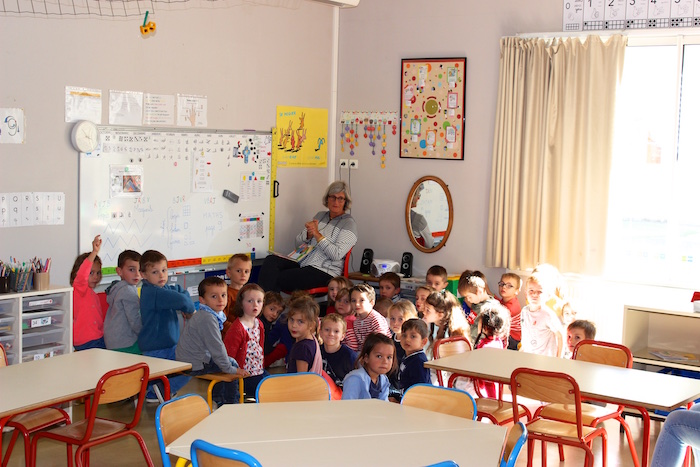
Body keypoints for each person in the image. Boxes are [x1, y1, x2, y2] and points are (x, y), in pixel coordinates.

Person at [258, 181, 358, 292]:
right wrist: (308, 235)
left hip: (325, 271)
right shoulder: (320, 216)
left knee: (280, 277)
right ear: (327, 199)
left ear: (345, 202)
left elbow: (336, 254)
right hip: (303, 263)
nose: (336, 202)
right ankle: (267, 304)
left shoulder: (349, 224)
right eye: (333, 197)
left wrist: (317, 235)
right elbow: (297, 244)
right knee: (271, 261)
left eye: (340, 198)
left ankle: (269, 305)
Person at [176, 277, 249, 406]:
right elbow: (217, 347)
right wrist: (231, 369)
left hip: (192, 359)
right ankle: (232, 404)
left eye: (223, 295)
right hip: (194, 363)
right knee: (231, 363)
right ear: (202, 300)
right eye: (214, 296)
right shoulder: (207, 318)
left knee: (223, 362)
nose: (221, 300)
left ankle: (218, 399)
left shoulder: (207, 314)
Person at [138, 249, 195, 401]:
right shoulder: (152, 292)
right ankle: (154, 391)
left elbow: (183, 293)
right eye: (155, 272)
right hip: (156, 348)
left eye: (164, 270)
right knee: (189, 367)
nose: (162, 275)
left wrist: (186, 304)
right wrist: (188, 308)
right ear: (143, 275)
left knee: (193, 366)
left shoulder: (165, 289)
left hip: (170, 345)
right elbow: (184, 301)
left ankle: (160, 389)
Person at [223, 283, 269, 399]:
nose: (255, 305)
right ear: (241, 304)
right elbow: (229, 356)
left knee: (275, 387)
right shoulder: (237, 328)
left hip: (259, 371)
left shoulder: (259, 324)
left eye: (259, 301)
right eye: (250, 301)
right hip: (244, 376)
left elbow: (260, 348)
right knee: (267, 392)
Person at [70, 235, 106, 351]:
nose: (96, 277)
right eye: (91, 273)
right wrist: (94, 251)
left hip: (98, 338)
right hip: (86, 341)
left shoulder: (92, 294)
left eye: (98, 273)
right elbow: (83, 273)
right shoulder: (79, 289)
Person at [104, 249, 142, 354]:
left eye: (140, 270)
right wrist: (144, 333)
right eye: (132, 270)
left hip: (114, 341)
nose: (137, 274)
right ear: (119, 271)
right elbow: (134, 320)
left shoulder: (118, 288)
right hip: (126, 343)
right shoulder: (128, 291)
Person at [519, 273, 564, 357]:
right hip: (528, 356)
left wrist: (559, 359)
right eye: (531, 291)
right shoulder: (524, 312)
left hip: (545, 358)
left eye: (539, 292)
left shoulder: (547, 315)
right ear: (526, 293)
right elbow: (525, 335)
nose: (535, 294)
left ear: (547, 295)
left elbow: (560, 335)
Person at [342, 333, 395, 401]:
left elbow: (384, 405)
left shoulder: (384, 380)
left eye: (389, 357)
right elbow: (347, 406)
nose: (385, 361)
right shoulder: (355, 379)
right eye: (379, 356)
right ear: (366, 358)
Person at [473, 302, 510, 397]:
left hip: (484, 392)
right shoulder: (498, 341)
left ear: (485, 327)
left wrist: (492, 401)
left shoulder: (486, 348)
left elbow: (488, 381)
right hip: (491, 391)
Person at [422, 290, 471, 358]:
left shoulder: (452, 333)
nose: (423, 312)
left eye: (428, 310)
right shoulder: (431, 326)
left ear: (440, 315)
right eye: (424, 308)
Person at [458, 274, 500, 344]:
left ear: (479, 291)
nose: (467, 299)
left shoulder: (491, 308)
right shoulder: (476, 305)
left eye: (469, 297)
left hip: (482, 345)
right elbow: (471, 322)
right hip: (471, 341)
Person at [286, 295, 323, 375]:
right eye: (291, 320)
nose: (294, 325)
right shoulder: (311, 339)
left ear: (311, 325)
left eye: (300, 321)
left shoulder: (302, 348)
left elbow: (302, 379)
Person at [348, 283, 391, 352]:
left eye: (361, 300)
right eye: (353, 300)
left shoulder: (376, 319)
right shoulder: (356, 321)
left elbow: (381, 341)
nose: (357, 304)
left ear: (371, 303)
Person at [319, 313, 357, 389]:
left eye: (336, 331)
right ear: (320, 332)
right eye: (327, 330)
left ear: (343, 336)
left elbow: (357, 382)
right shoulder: (316, 351)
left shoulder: (349, 356)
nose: (331, 334)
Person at [396, 319, 430, 398]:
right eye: (404, 335)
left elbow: (419, 389)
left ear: (423, 342)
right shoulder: (408, 356)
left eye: (413, 336)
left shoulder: (418, 361)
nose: (407, 339)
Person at [222, 253, 252, 337]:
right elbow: (221, 319)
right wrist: (236, 330)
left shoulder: (250, 293)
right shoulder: (226, 294)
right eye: (239, 271)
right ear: (229, 272)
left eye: (246, 271)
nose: (243, 274)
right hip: (230, 336)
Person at [388, 299, 419, 365]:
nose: (395, 323)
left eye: (400, 319)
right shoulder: (390, 339)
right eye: (392, 318)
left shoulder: (411, 343)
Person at [497, 272, 522, 350]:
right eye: (502, 284)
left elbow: (499, 321)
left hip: (513, 338)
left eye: (509, 286)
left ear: (517, 291)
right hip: (508, 332)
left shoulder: (511, 307)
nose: (504, 287)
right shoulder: (507, 299)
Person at [409, 183, 435, 248]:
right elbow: (429, 245)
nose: (418, 198)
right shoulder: (418, 219)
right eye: (418, 194)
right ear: (411, 196)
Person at [260, 291, 285, 356]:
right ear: (263, 305)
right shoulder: (260, 323)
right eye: (272, 309)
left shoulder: (267, 323)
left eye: (278, 312)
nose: (274, 314)